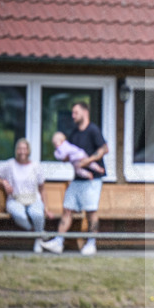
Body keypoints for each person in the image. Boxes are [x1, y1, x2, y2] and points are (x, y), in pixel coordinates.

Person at [41, 102, 108, 255]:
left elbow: (105, 149)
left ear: (85, 112)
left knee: (91, 211)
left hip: (93, 179)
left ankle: (91, 243)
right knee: (67, 209)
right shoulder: (74, 133)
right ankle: (59, 241)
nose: (73, 116)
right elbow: (69, 153)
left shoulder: (93, 130)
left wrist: (88, 161)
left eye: (75, 112)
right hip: (77, 179)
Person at [0, 137, 51, 252]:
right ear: (16, 150)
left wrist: (46, 208)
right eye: (19, 149)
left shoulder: (36, 166)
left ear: (28, 151)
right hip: (15, 199)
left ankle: (38, 241)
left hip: (33, 198)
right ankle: (36, 232)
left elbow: (42, 189)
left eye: (24, 149)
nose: (22, 151)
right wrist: (3, 182)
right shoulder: (10, 164)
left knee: (37, 214)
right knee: (20, 215)